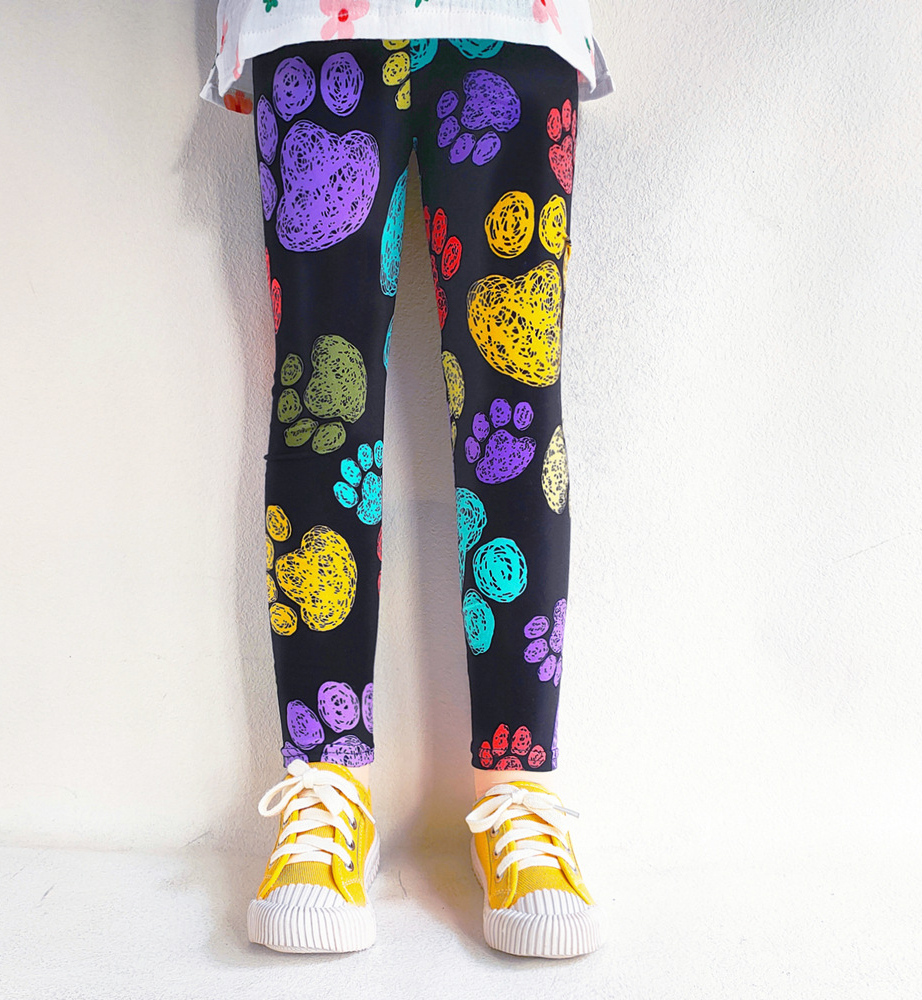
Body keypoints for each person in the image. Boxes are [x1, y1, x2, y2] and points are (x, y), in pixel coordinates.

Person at [200, 0, 614, 959]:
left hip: (517, 21)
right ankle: (328, 788)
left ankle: (519, 791)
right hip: (309, 21)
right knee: (321, 393)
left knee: (513, 400)